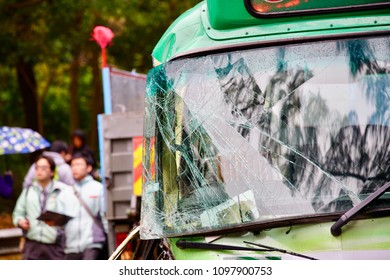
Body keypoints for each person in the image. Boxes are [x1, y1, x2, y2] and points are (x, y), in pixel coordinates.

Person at [12, 155, 69, 260]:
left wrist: (60, 221)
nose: (39, 171)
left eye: (44, 168)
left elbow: (71, 215)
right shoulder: (28, 190)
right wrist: (20, 221)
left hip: (55, 246)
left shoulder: (63, 190)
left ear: (52, 172)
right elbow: (17, 213)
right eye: (37, 167)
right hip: (32, 245)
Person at [57, 152, 107, 260]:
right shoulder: (65, 192)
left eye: (78, 164)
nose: (75, 168)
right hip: (70, 246)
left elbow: (105, 216)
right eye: (73, 165)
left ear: (88, 168)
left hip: (93, 243)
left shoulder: (98, 189)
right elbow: (60, 221)